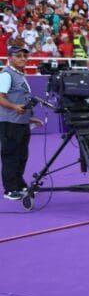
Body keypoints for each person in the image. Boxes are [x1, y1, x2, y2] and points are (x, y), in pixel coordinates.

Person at [0, 46, 42, 200]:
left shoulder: (20, 75)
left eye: (25, 55)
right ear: (10, 58)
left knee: (22, 155)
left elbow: (18, 100)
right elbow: (0, 97)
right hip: (9, 122)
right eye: (18, 56)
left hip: (21, 122)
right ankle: (10, 189)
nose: (23, 58)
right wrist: (14, 107)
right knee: (10, 155)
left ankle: (19, 183)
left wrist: (30, 118)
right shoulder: (6, 75)